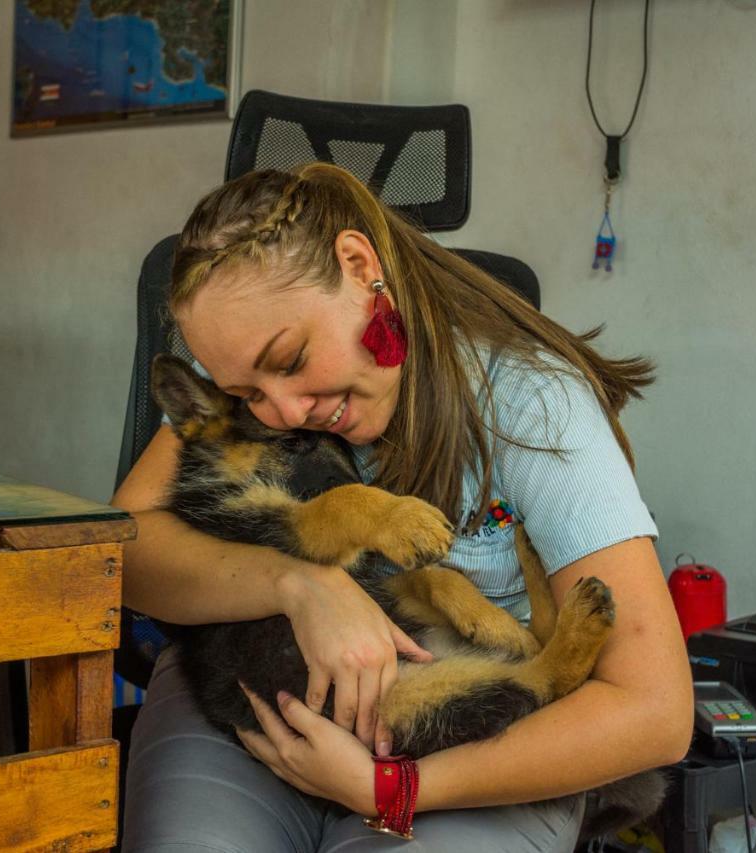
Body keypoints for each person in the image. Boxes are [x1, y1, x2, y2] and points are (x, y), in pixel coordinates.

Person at [114, 162, 693, 852]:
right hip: (252, 686)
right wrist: (301, 584)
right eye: (247, 393)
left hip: (466, 731)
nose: (285, 410)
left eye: (292, 358)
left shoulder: (533, 404)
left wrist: (393, 788)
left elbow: (656, 712)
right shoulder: (254, 374)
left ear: (360, 267)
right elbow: (122, 549)